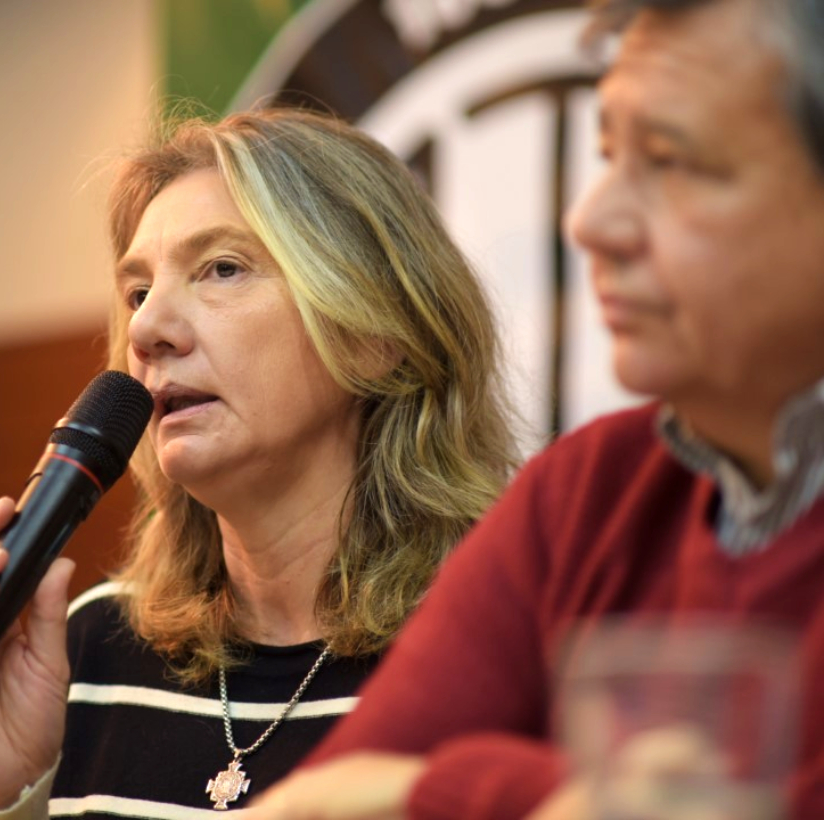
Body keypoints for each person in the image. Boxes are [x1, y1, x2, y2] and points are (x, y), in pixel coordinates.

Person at [248, 0, 824, 818]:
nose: (589, 221)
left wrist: (421, 791)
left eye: (671, 162)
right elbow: (305, 809)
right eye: (608, 156)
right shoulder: (588, 492)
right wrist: (559, 795)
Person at [0, 108, 518, 820]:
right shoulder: (79, 651)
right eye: (136, 293)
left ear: (376, 332)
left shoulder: (511, 650)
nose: (148, 329)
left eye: (222, 268)